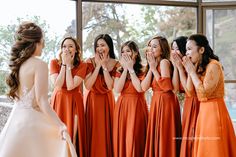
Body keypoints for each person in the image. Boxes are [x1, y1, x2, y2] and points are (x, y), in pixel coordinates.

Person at [0, 22, 76, 157]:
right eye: (42, 41)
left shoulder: (18, 65)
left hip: (15, 123)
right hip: (31, 124)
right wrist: (60, 125)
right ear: (34, 42)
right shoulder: (39, 64)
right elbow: (42, 101)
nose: (44, 45)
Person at [182, 34, 236, 157]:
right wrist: (191, 71)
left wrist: (191, 72)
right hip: (204, 112)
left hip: (214, 111)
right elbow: (190, 92)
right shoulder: (198, 66)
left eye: (190, 49)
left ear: (201, 50)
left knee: (214, 149)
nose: (187, 53)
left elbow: (204, 93)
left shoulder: (214, 65)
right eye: (186, 50)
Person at [142, 35, 182, 157]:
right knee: (158, 134)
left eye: (155, 46)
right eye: (150, 46)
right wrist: (151, 67)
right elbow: (143, 87)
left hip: (166, 102)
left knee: (165, 134)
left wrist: (154, 69)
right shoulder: (153, 64)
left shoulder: (164, 62)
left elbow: (166, 87)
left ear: (162, 49)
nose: (151, 49)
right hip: (156, 101)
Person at [50, 37, 87, 156]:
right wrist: (64, 65)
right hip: (59, 101)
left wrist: (69, 65)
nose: (67, 49)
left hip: (74, 101)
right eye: (64, 46)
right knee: (57, 137)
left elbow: (70, 86)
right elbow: (58, 85)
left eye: (70, 46)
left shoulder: (82, 65)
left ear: (76, 50)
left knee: (72, 137)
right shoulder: (54, 62)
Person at [85, 34, 118, 157]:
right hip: (92, 100)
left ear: (109, 47)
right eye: (97, 45)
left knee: (106, 133)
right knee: (93, 132)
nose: (100, 48)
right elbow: (88, 85)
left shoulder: (116, 64)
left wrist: (104, 66)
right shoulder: (89, 61)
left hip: (107, 101)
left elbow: (110, 86)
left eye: (103, 45)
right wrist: (97, 65)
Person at [113, 41, 148, 157]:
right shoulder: (119, 70)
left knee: (135, 137)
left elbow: (139, 89)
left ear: (136, 53)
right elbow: (117, 89)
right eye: (123, 51)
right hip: (122, 106)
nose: (125, 54)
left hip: (137, 105)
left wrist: (131, 69)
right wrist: (126, 69)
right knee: (123, 137)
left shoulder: (143, 69)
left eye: (128, 51)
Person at [171, 36, 200, 157]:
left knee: (195, 134)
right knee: (187, 134)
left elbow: (189, 90)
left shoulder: (191, 63)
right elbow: (175, 89)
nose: (174, 52)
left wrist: (180, 67)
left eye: (177, 48)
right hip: (187, 103)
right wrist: (177, 68)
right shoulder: (178, 64)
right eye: (172, 49)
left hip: (197, 101)